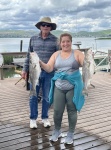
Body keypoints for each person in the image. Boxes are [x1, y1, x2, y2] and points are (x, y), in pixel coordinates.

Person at [39, 33, 85, 144]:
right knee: (57, 111)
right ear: (60, 43)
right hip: (59, 86)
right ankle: (57, 131)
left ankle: (70, 133)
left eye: (68, 41)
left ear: (71, 42)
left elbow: (85, 64)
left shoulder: (77, 53)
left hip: (73, 86)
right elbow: (49, 68)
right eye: (63, 41)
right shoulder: (56, 54)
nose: (65, 44)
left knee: (71, 111)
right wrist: (40, 63)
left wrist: (89, 59)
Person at [21, 17, 59, 129]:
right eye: (43, 25)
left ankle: (45, 118)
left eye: (48, 25)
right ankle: (33, 119)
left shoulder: (56, 40)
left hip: (49, 73)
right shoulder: (33, 39)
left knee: (47, 97)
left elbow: (58, 57)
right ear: (40, 26)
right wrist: (24, 69)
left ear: (51, 27)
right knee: (33, 96)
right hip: (33, 72)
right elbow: (28, 55)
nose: (45, 27)